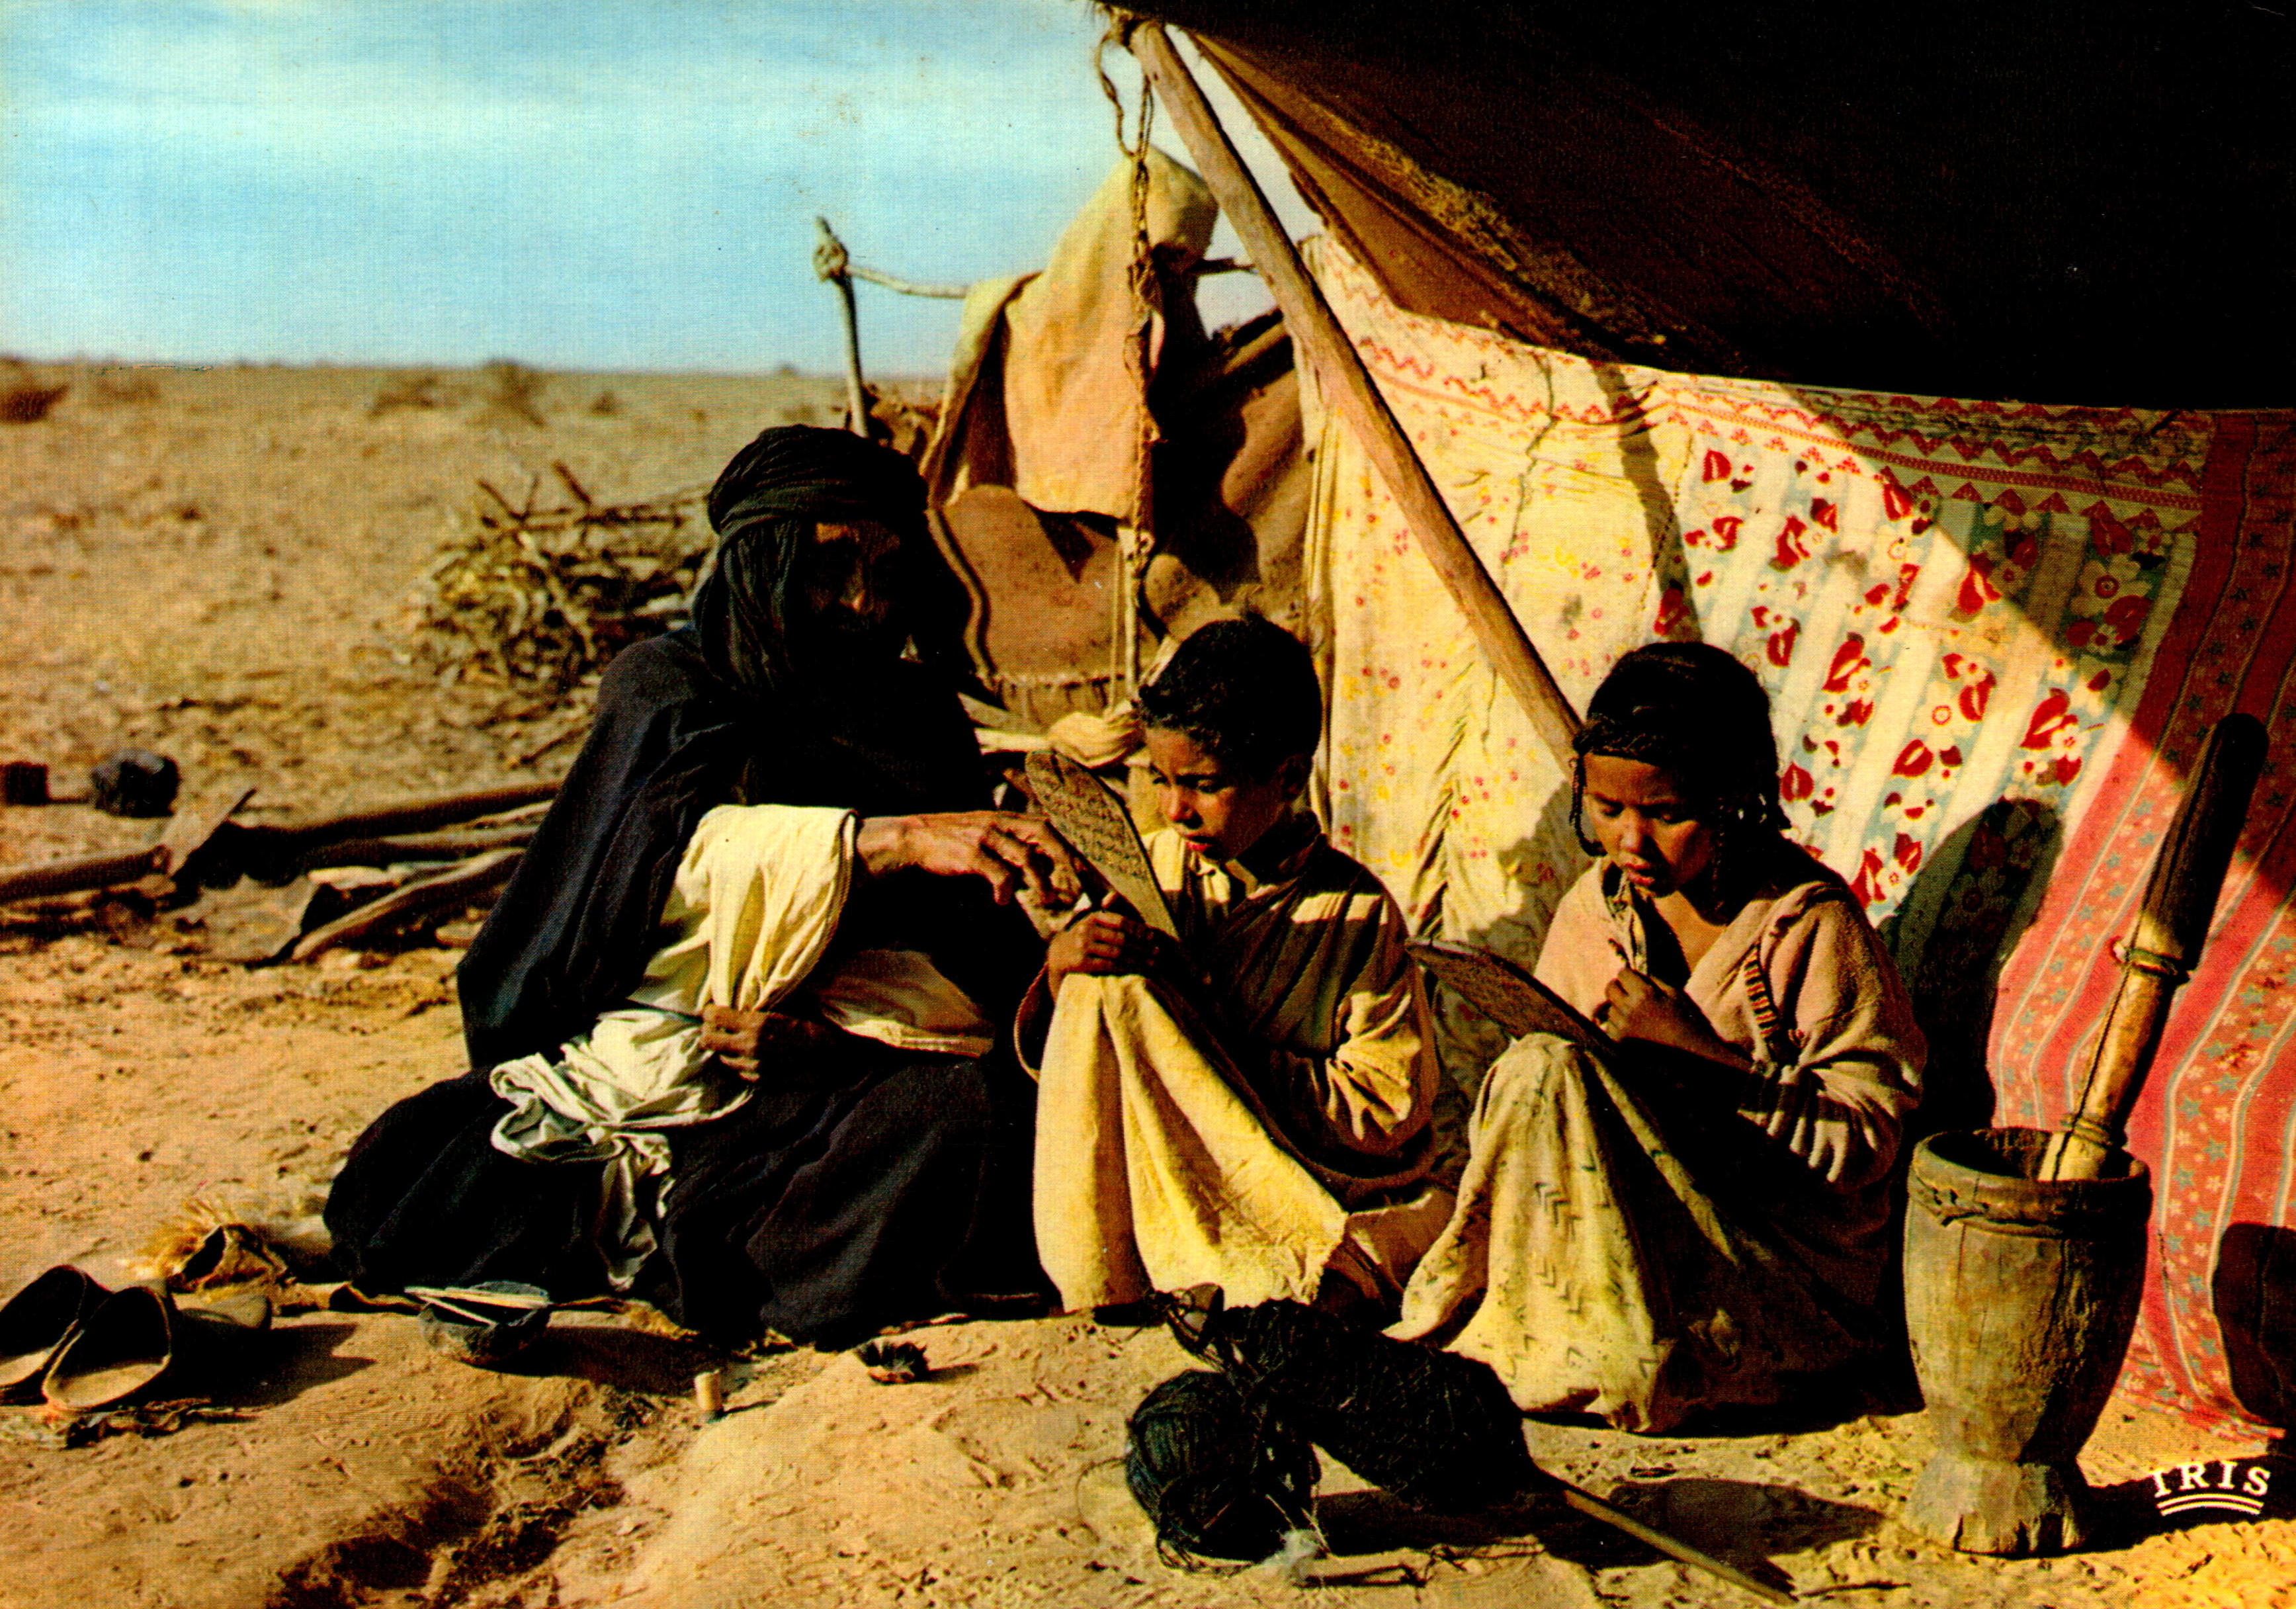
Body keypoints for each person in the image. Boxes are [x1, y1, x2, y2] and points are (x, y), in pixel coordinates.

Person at [325, 425, 1080, 1350]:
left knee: (967, 1121)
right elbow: (637, 881)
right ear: (761, 563)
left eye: (886, 571)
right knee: (426, 1179)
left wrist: (829, 1043)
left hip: (847, 1068)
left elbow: (963, 947)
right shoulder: (670, 688)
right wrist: (875, 843)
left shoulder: (915, 711)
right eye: (827, 567)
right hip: (674, 1040)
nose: (861, 601)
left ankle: (724, 1263)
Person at [1390, 642, 1926, 1432]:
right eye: (1608, 810)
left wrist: (1704, 1060)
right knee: (1539, 1065)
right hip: (1628, 1240)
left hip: (1774, 1275)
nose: (1631, 841)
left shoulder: (1809, 926)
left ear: (1736, 799)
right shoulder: (1598, 906)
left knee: (1627, 1371)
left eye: (1667, 813)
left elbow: (1866, 1138)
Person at [1021, 617, 1451, 1322]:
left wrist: (1211, 1041)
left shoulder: (1357, 913)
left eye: (1203, 784)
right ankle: (1110, 1281)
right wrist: (1063, 968)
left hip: (1291, 1178)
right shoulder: (1154, 870)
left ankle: (1242, 1282)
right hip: (1158, 1173)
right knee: (1107, 989)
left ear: (1287, 777)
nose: (1174, 809)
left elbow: (1383, 1112)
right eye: (1160, 780)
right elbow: (1084, 1068)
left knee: (1372, 1252)